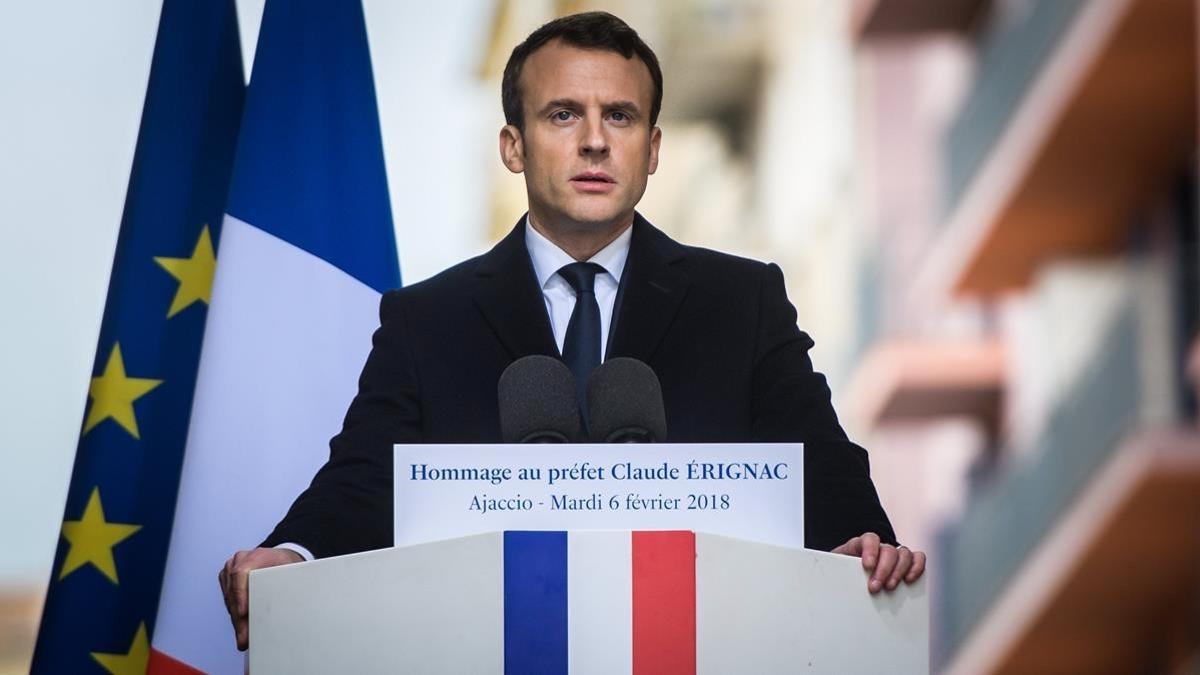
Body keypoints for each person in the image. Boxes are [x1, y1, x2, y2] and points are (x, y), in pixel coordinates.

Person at [218, 11, 926, 651]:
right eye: (562, 115)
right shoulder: (428, 320)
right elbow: (365, 480)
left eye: (619, 116)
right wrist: (293, 557)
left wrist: (863, 544)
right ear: (513, 146)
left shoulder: (742, 301)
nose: (594, 141)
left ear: (652, 149)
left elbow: (822, 468)